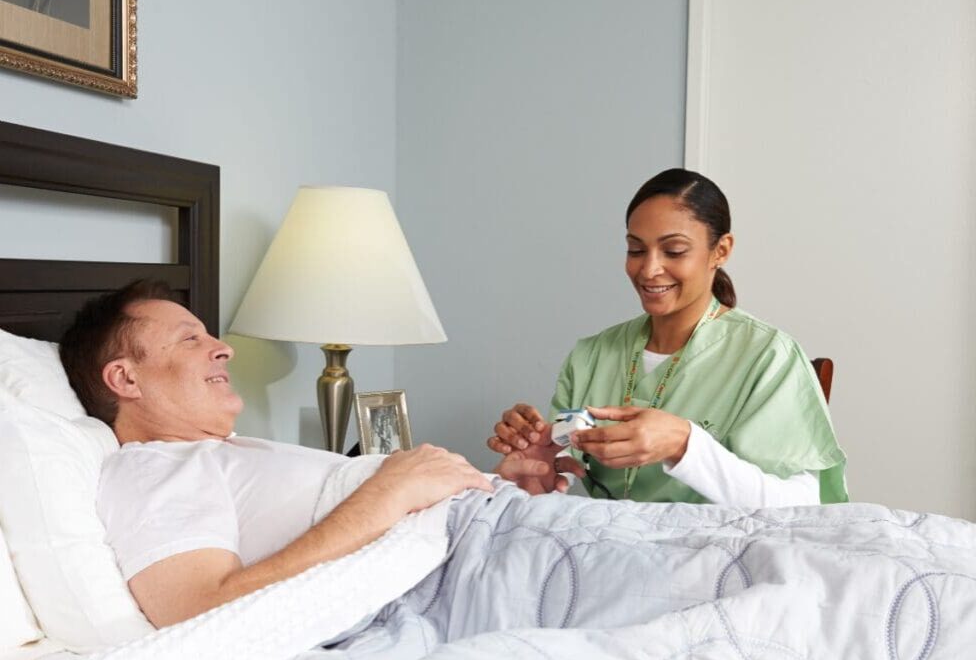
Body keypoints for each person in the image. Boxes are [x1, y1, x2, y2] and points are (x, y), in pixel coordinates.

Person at [59, 280, 494, 628]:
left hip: (486, 535)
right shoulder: (150, 468)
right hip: (467, 566)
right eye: (190, 339)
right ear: (126, 379)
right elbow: (198, 611)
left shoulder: (220, 454)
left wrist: (496, 482)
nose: (223, 349)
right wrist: (392, 490)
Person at [488, 168, 848, 506]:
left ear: (720, 251)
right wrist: (539, 465)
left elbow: (802, 505)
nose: (649, 269)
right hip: (614, 554)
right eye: (636, 249)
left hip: (720, 559)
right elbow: (563, 475)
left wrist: (684, 445)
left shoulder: (768, 357)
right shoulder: (591, 356)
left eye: (673, 251)